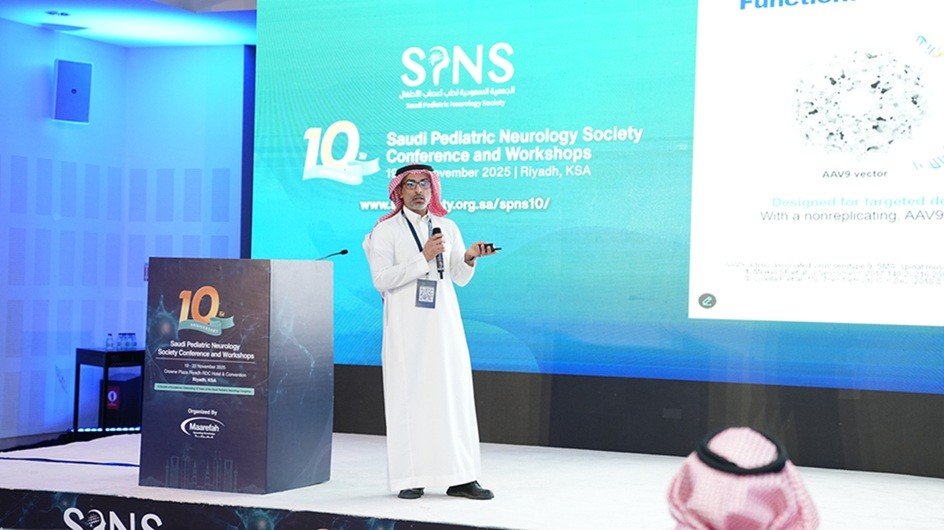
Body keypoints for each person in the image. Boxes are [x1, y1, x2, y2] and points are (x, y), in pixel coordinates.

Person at [363, 163, 497, 500]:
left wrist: (469, 257)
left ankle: (461, 477)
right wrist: (422, 257)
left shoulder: (447, 226)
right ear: (399, 191)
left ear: (433, 188)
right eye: (411, 184)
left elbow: (458, 277)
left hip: (444, 325)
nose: (419, 190)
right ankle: (412, 477)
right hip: (406, 328)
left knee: (452, 396)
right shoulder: (386, 231)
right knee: (410, 398)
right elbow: (381, 279)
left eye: (425, 184)